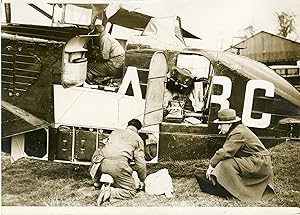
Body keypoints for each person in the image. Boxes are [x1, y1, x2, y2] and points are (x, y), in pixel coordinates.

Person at [194, 108, 275, 201]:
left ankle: (237, 192)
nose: (218, 127)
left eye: (220, 124)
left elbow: (224, 152)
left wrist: (211, 166)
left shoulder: (238, 133)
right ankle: (229, 186)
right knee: (226, 163)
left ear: (229, 124)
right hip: (258, 161)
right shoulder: (238, 129)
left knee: (226, 164)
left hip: (259, 163)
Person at [89, 119, 146, 205]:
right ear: (138, 130)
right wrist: (142, 179)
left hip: (100, 163)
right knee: (131, 191)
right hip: (117, 166)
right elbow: (140, 163)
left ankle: (98, 183)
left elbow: (102, 147)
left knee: (114, 168)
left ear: (128, 126)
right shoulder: (138, 138)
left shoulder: (115, 132)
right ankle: (109, 192)